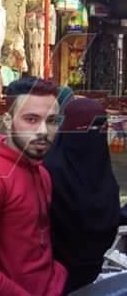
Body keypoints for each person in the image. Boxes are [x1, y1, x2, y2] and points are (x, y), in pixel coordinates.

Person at [0, 77, 67, 296]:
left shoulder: (42, 174)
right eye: (31, 119)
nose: (43, 131)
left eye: (52, 121)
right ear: (8, 120)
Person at [44, 98, 120, 293]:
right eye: (89, 127)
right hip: (54, 272)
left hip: (94, 267)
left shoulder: (99, 163)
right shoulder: (51, 170)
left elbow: (106, 211)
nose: (97, 133)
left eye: (101, 127)